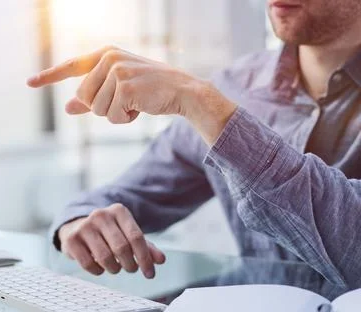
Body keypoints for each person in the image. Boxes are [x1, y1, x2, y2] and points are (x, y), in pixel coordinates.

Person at [27, 0, 361, 289]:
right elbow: (127, 193)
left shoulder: (212, 100)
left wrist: (203, 104)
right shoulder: (235, 86)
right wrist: (79, 222)